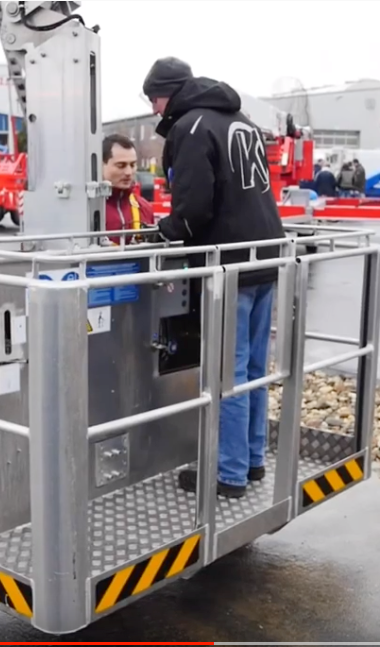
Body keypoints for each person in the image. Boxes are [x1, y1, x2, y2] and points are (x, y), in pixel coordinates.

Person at [142, 56, 285, 499]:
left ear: (170, 93)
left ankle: (229, 474)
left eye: (154, 99)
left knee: (229, 373)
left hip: (229, 266)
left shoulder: (189, 127)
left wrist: (164, 231)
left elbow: (194, 208)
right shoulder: (238, 119)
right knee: (256, 370)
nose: (154, 110)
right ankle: (254, 461)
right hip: (265, 257)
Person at [101, 134, 155, 244]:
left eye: (133, 165)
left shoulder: (145, 208)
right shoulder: (86, 211)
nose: (128, 172)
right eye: (121, 165)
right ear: (101, 164)